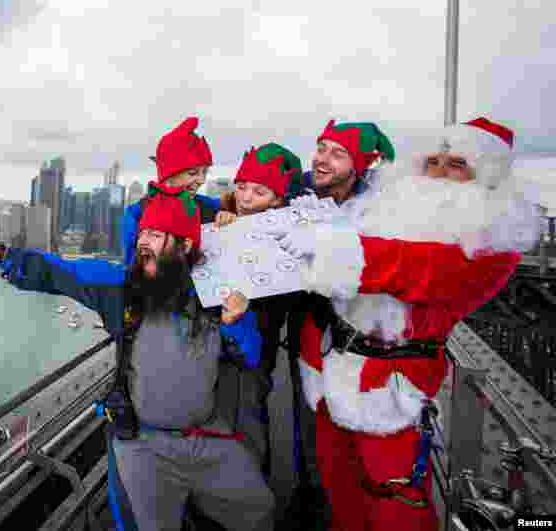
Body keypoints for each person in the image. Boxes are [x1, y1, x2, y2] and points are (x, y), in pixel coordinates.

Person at [278, 117, 540, 531]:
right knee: (339, 489)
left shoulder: (492, 242)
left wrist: (331, 246)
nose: (437, 172)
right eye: (432, 160)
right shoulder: (383, 210)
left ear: (486, 177)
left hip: (391, 388)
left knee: (394, 502)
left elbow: (421, 269)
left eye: (456, 164)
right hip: (329, 369)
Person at [0, 190, 276, 531]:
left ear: (186, 246)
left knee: (258, 510)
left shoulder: (217, 296)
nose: (144, 241)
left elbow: (250, 356)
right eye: (143, 232)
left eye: (156, 234)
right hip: (144, 446)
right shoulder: (123, 289)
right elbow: (59, 272)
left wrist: (238, 322)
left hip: (208, 438)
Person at [280, 119, 395, 526]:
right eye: (321, 147)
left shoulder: (381, 208)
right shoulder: (298, 189)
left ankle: (361, 503)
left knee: (360, 426)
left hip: (363, 336)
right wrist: (224, 211)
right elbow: (247, 204)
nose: (321, 158)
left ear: (359, 165)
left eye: (336, 152)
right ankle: (313, 497)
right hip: (309, 326)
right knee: (309, 416)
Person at [209, 143, 306, 480]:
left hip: (255, 350)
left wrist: (242, 239)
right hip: (213, 347)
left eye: (259, 191)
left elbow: (283, 292)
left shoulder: (289, 238)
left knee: (249, 422)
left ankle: (254, 498)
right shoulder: (219, 220)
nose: (246, 197)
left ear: (277, 200)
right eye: (241, 186)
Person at [122, 117, 229, 268]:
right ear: (168, 176)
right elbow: (134, 267)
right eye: (193, 173)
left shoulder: (208, 205)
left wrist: (229, 218)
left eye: (205, 172)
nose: (201, 180)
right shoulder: (137, 213)